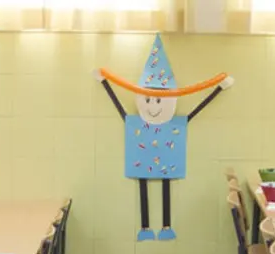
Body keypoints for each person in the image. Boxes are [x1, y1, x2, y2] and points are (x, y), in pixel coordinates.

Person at [96, 34, 233, 240]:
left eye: (159, 100)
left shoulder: (174, 124)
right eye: (149, 100)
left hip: (165, 157)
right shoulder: (137, 123)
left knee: (165, 185)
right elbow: (118, 105)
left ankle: (166, 226)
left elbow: (197, 109)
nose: (152, 107)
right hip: (144, 158)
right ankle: (145, 227)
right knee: (144, 182)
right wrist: (105, 83)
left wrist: (219, 89)